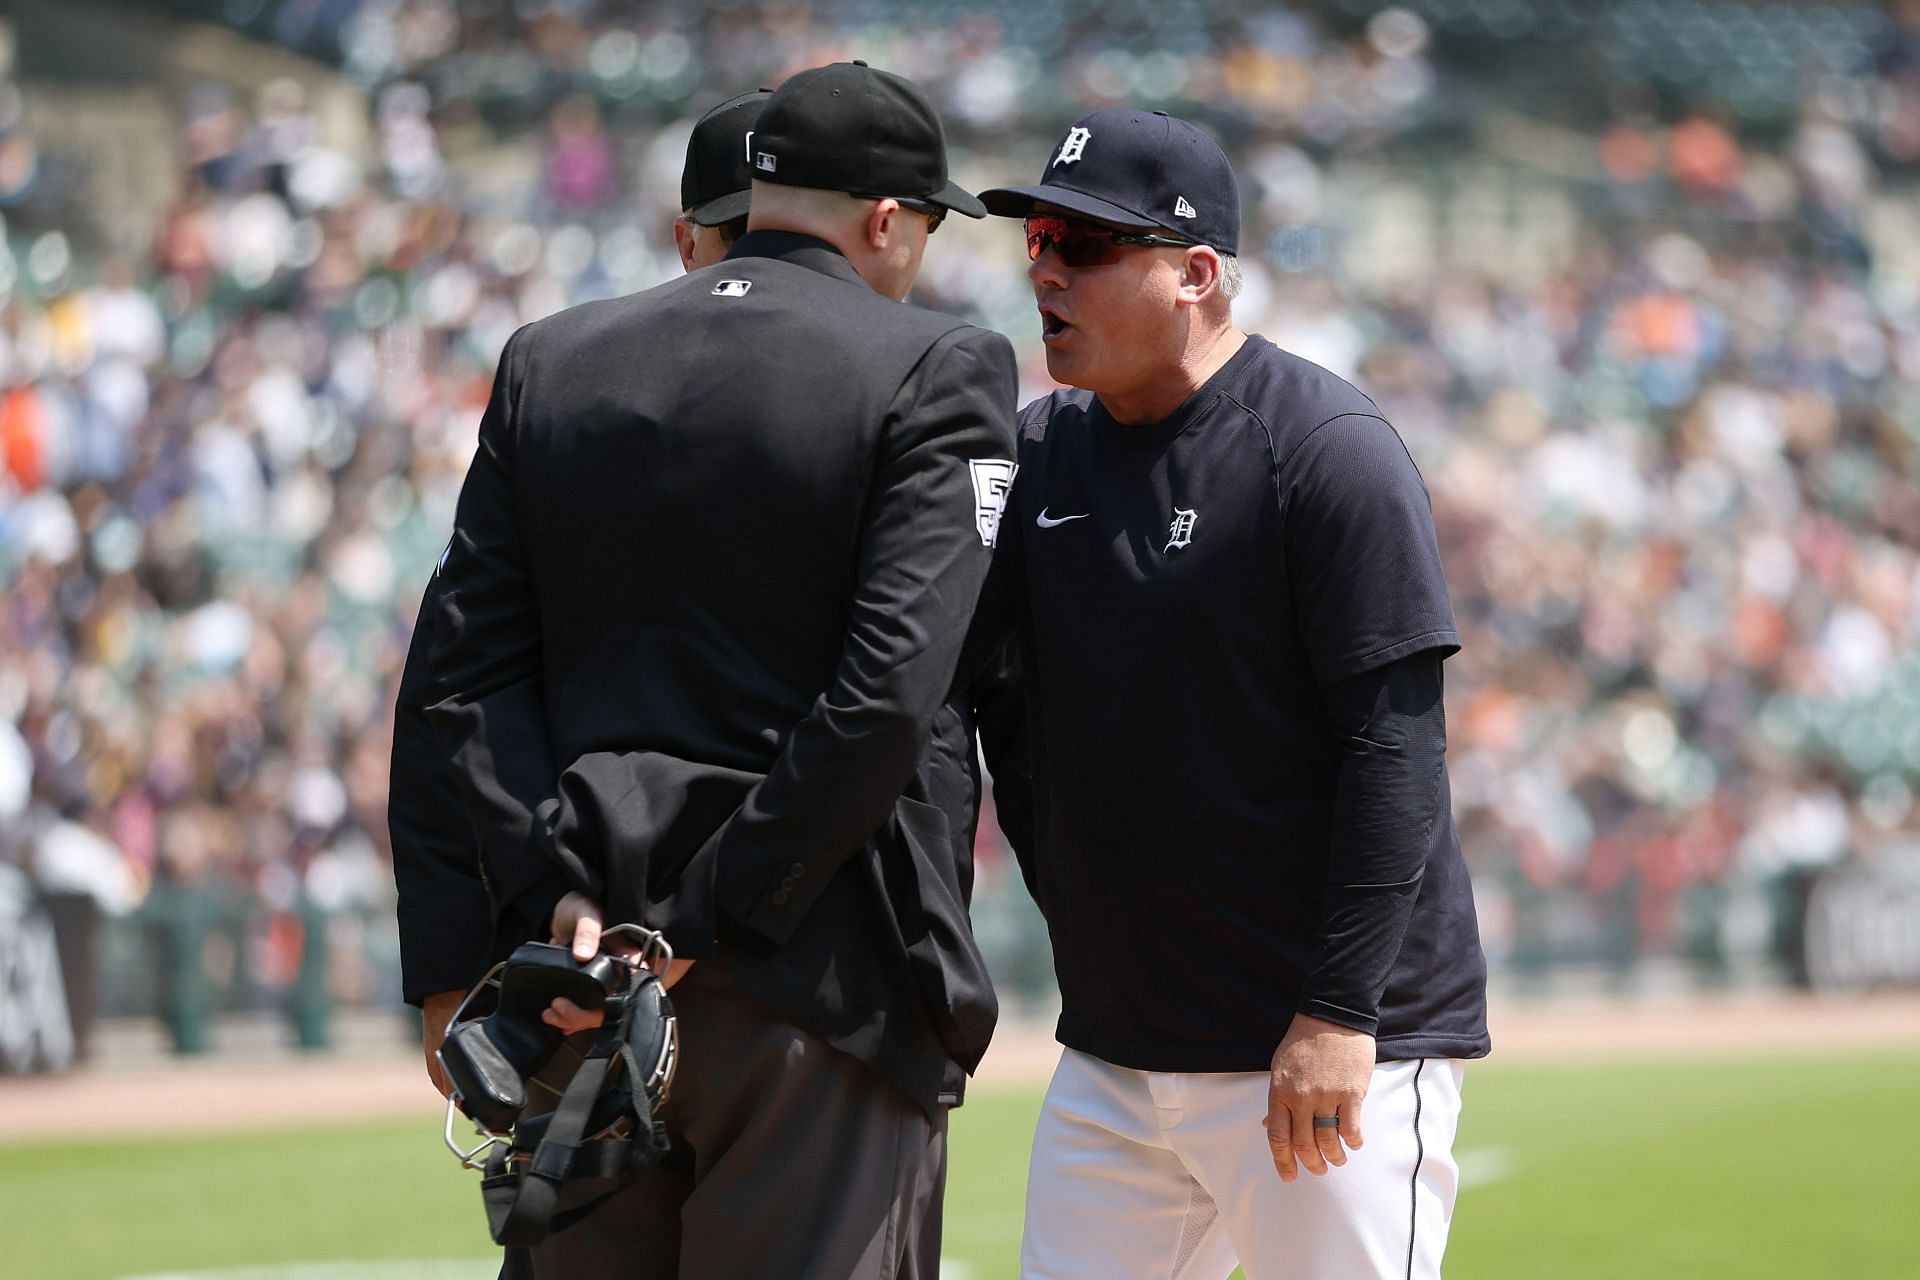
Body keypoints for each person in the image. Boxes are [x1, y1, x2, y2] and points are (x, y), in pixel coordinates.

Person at [419, 61, 1019, 1279]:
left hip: (577, 981)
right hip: (817, 974)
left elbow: (457, 678)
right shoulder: (933, 364)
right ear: (889, 220)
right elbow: (889, 691)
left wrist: (551, 899)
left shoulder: (555, 357)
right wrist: (706, 912)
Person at [961, 107, 1491, 1279]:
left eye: (1088, 245)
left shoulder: (1325, 448)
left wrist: (1342, 1012)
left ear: (1199, 273)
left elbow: (1396, 749)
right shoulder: (1037, 452)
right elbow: (975, 704)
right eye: (1038, 235)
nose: (1044, 265)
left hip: (1314, 1044)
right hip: (1118, 1047)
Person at [390, 86, 772, 1100]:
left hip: (587, 954)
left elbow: (449, 683)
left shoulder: (562, 395)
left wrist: (445, 967)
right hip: (675, 973)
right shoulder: (564, 397)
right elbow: (449, 676)